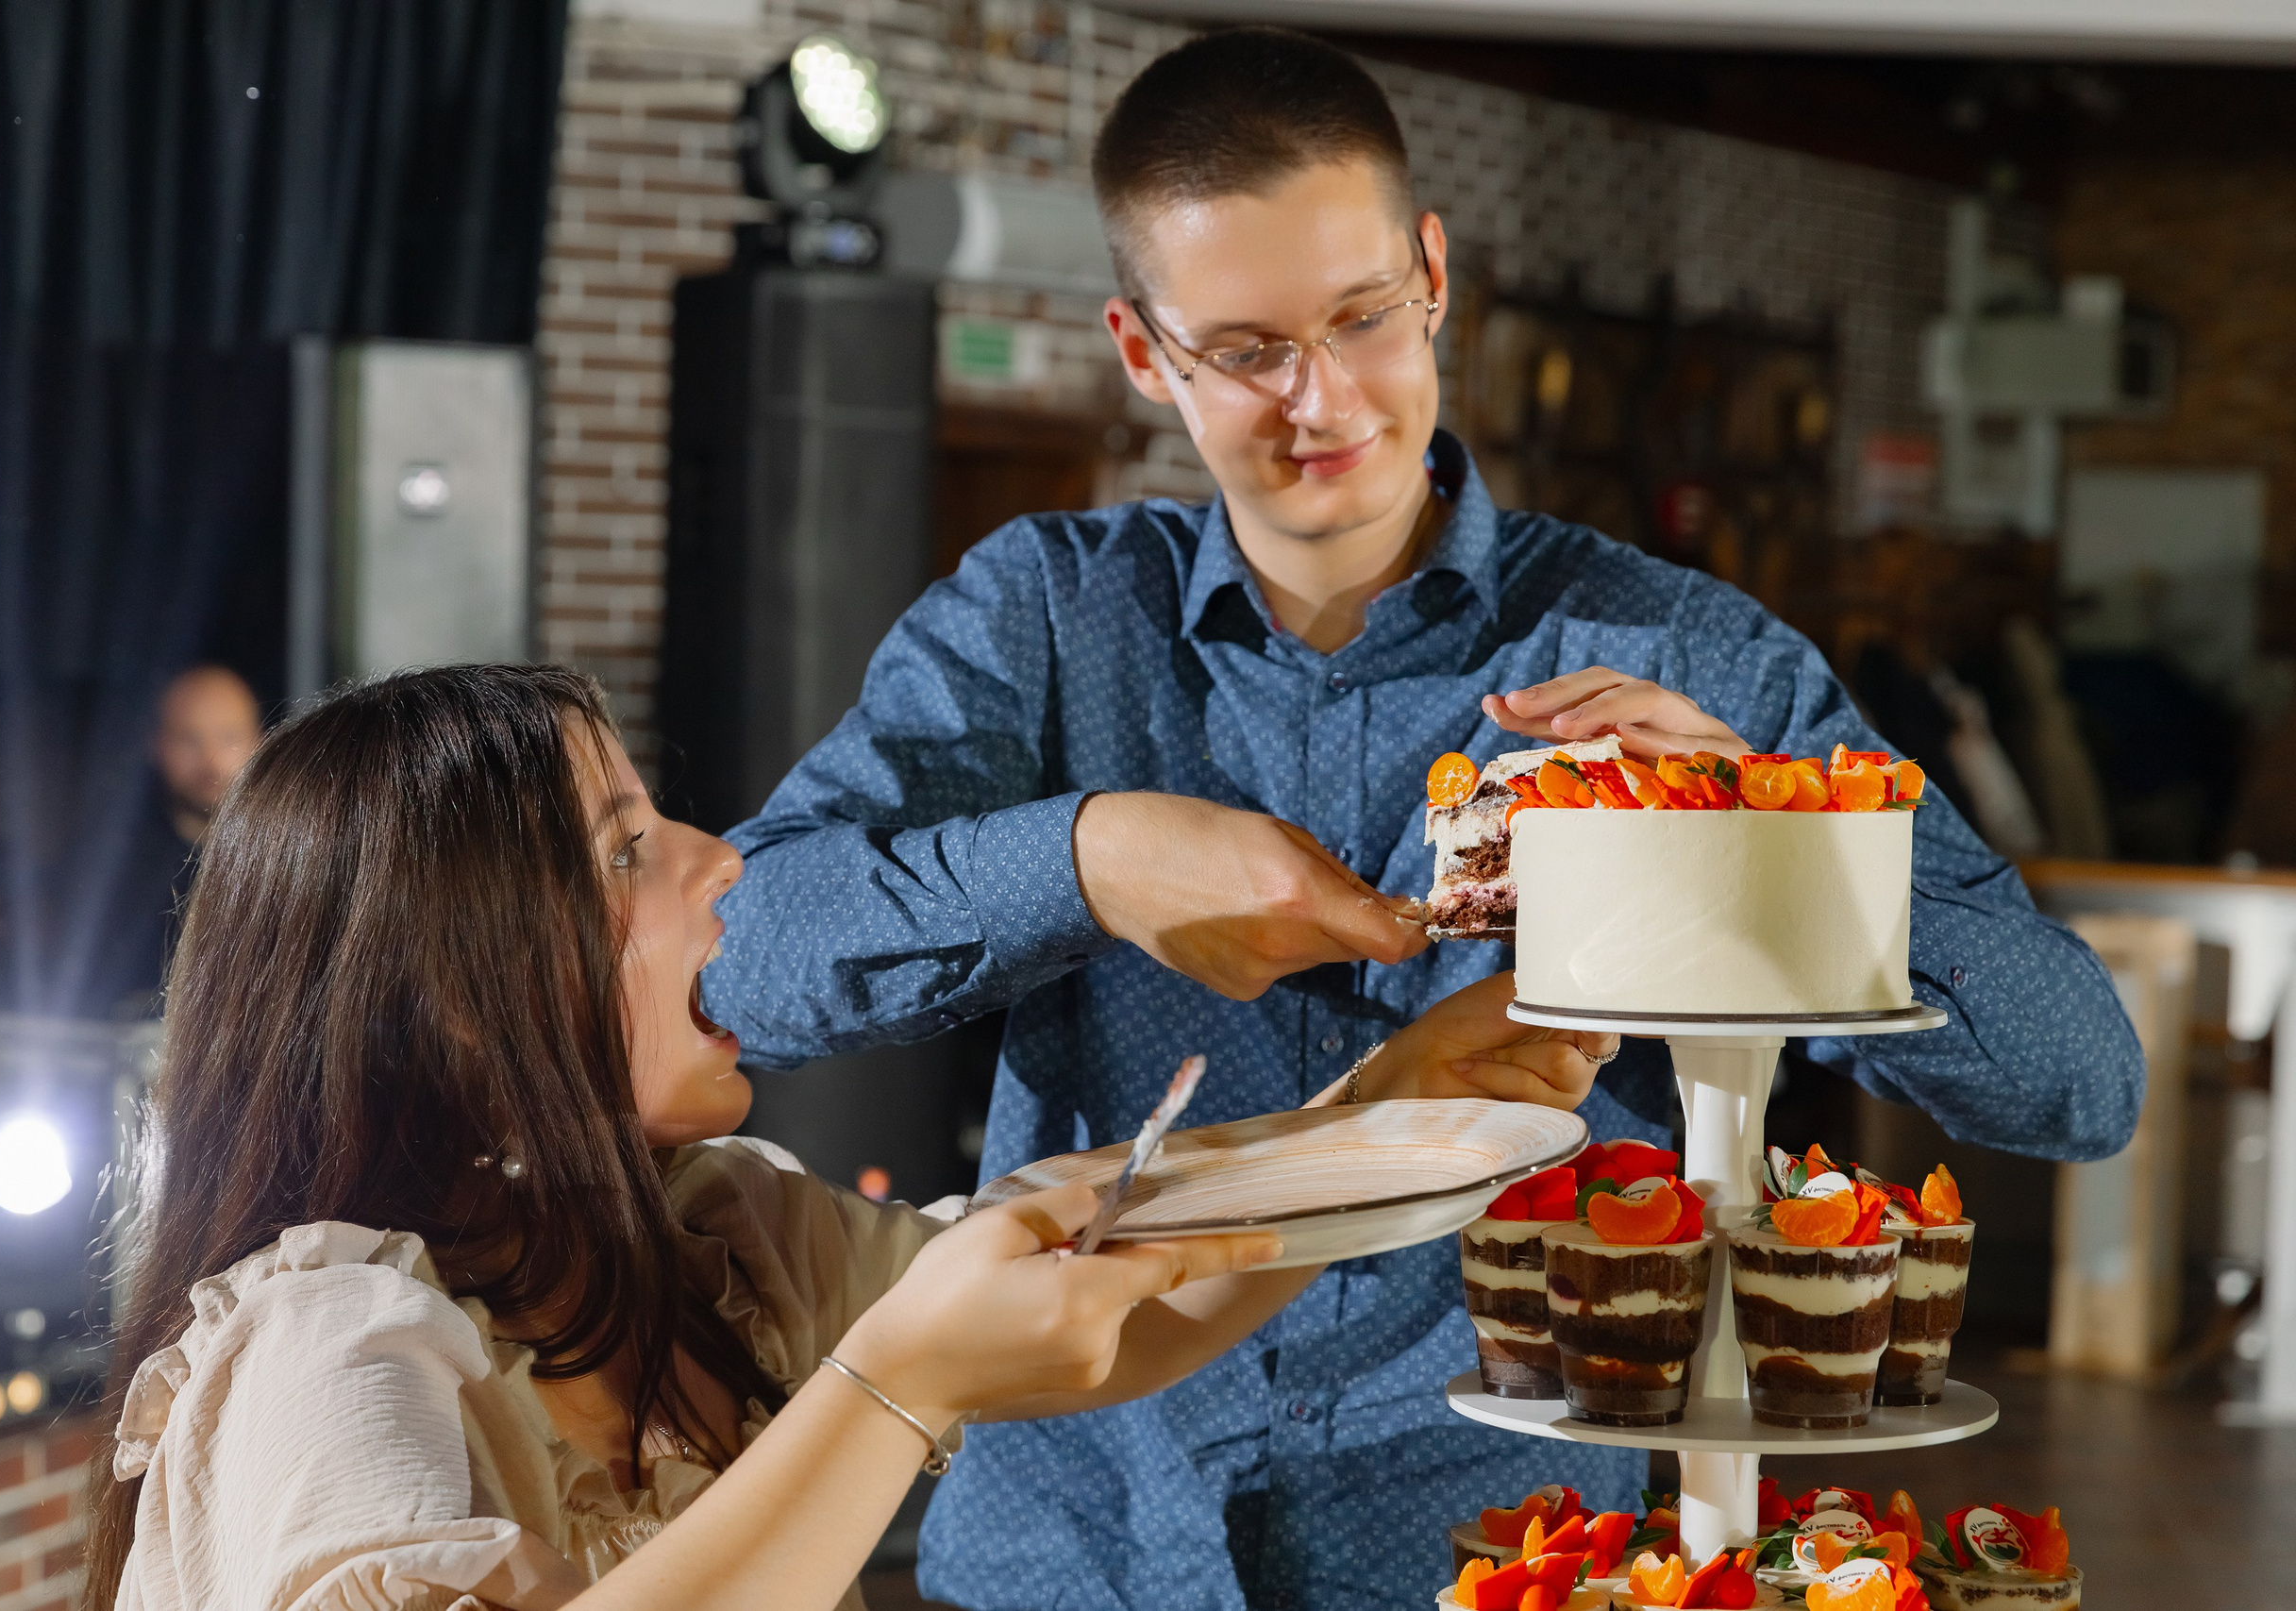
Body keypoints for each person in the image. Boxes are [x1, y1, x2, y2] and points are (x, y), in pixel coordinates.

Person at [699, 27, 2146, 1611]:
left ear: (1435, 274)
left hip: (1503, 1543)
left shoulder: (1693, 657)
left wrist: (1760, 841)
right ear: (1140, 350)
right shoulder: (1040, 620)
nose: (1319, 401)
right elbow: (751, 956)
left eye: (1363, 317)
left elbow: (2076, 1080)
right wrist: (1088, 855)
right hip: (1084, 1529)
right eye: (1242, 349)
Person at [79, 663, 1614, 1611]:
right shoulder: (318, 1339)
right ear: (462, 1001)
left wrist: (1382, 1109)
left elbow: (1106, 1293)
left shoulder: (718, 1232)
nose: (720, 857)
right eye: (626, 851)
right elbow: (950, 1341)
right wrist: (899, 1378)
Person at [81, 663, 263, 1016]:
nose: (211, 761)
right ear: (157, 745)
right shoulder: (116, 870)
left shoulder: (292, 859)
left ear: (260, 743)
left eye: (230, 737)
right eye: (189, 739)